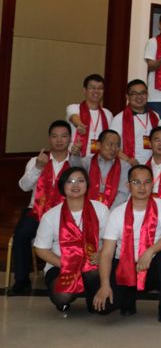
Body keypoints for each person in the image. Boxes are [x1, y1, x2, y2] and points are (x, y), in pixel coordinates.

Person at [93, 164, 161, 322]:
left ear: (152, 184)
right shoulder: (117, 213)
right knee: (104, 308)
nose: (142, 187)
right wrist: (105, 285)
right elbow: (107, 253)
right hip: (126, 267)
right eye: (136, 182)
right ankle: (128, 297)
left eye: (146, 182)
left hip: (152, 265)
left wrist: (150, 251)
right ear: (128, 185)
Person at [32, 166, 110, 315]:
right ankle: (68, 297)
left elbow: (110, 240)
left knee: (94, 276)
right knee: (62, 296)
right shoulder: (50, 216)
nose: (75, 185)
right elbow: (41, 249)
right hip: (60, 265)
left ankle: (92, 296)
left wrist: (101, 253)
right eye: (70, 181)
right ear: (63, 186)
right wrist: (66, 264)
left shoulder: (101, 209)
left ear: (87, 184)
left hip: (93, 264)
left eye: (80, 181)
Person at [11, 120, 74, 295]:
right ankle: (22, 280)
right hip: (37, 211)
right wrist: (38, 168)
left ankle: (70, 273)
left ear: (70, 139)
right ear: (49, 139)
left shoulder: (75, 162)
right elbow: (24, 187)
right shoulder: (36, 160)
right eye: (55, 136)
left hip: (64, 212)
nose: (59, 140)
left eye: (64, 136)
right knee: (21, 235)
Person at [77, 129, 131, 209]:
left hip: (113, 211)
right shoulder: (87, 162)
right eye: (110, 144)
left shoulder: (125, 166)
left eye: (117, 145)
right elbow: (75, 169)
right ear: (99, 145)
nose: (114, 149)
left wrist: (110, 212)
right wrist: (75, 155)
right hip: (86, 209)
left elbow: (123, 193)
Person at [113, 79, 161, 164]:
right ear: (127, 97)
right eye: (134, 93)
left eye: (143, 93)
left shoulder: (155, 116)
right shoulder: (119, 118)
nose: (139, 96)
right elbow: (112, 145)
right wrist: (128, 160)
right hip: (129, 165)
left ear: (147, 95)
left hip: (153, 165)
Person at [66, 73, 113, 158]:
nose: (96, 91)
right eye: (92, 88)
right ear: (84, 90)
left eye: (100, 88)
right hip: (77, 157)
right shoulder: (74, 107)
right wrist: (80, 125)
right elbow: (74, 117)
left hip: (100, 160)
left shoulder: (108, 113)